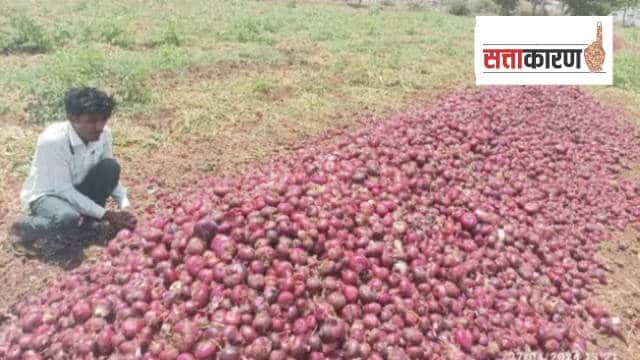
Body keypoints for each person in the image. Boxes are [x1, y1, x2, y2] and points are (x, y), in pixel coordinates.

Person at [9, 87, 137, 255]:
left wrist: (124, 204)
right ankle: (22, 228)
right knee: (67, 218)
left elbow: (110, 172)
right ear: (72, 118)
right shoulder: (53, 141)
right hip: (48, 195)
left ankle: (85, 223)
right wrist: (107, 215)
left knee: (110, 167)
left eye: (103, 119)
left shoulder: (104, 134)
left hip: (78, 188)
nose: (99, 126)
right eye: (91, 120)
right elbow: (64, 190)